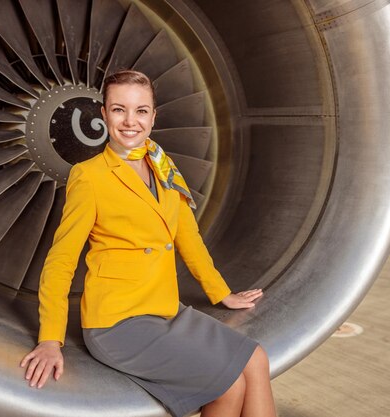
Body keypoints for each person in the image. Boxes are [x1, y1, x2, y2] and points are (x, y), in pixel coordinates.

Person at [20, 70, 276, 417]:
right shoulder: (90, 175)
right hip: (118, 323)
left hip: (164, 309)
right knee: (227, 386)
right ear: (103, 114)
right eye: (118, 109)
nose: (130, 121)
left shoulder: (163, 165)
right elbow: (61, 259)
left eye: (141, 111)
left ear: (153, 117)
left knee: (256, 359)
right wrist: (50, 338)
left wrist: (221, 292)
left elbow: (187, 236)